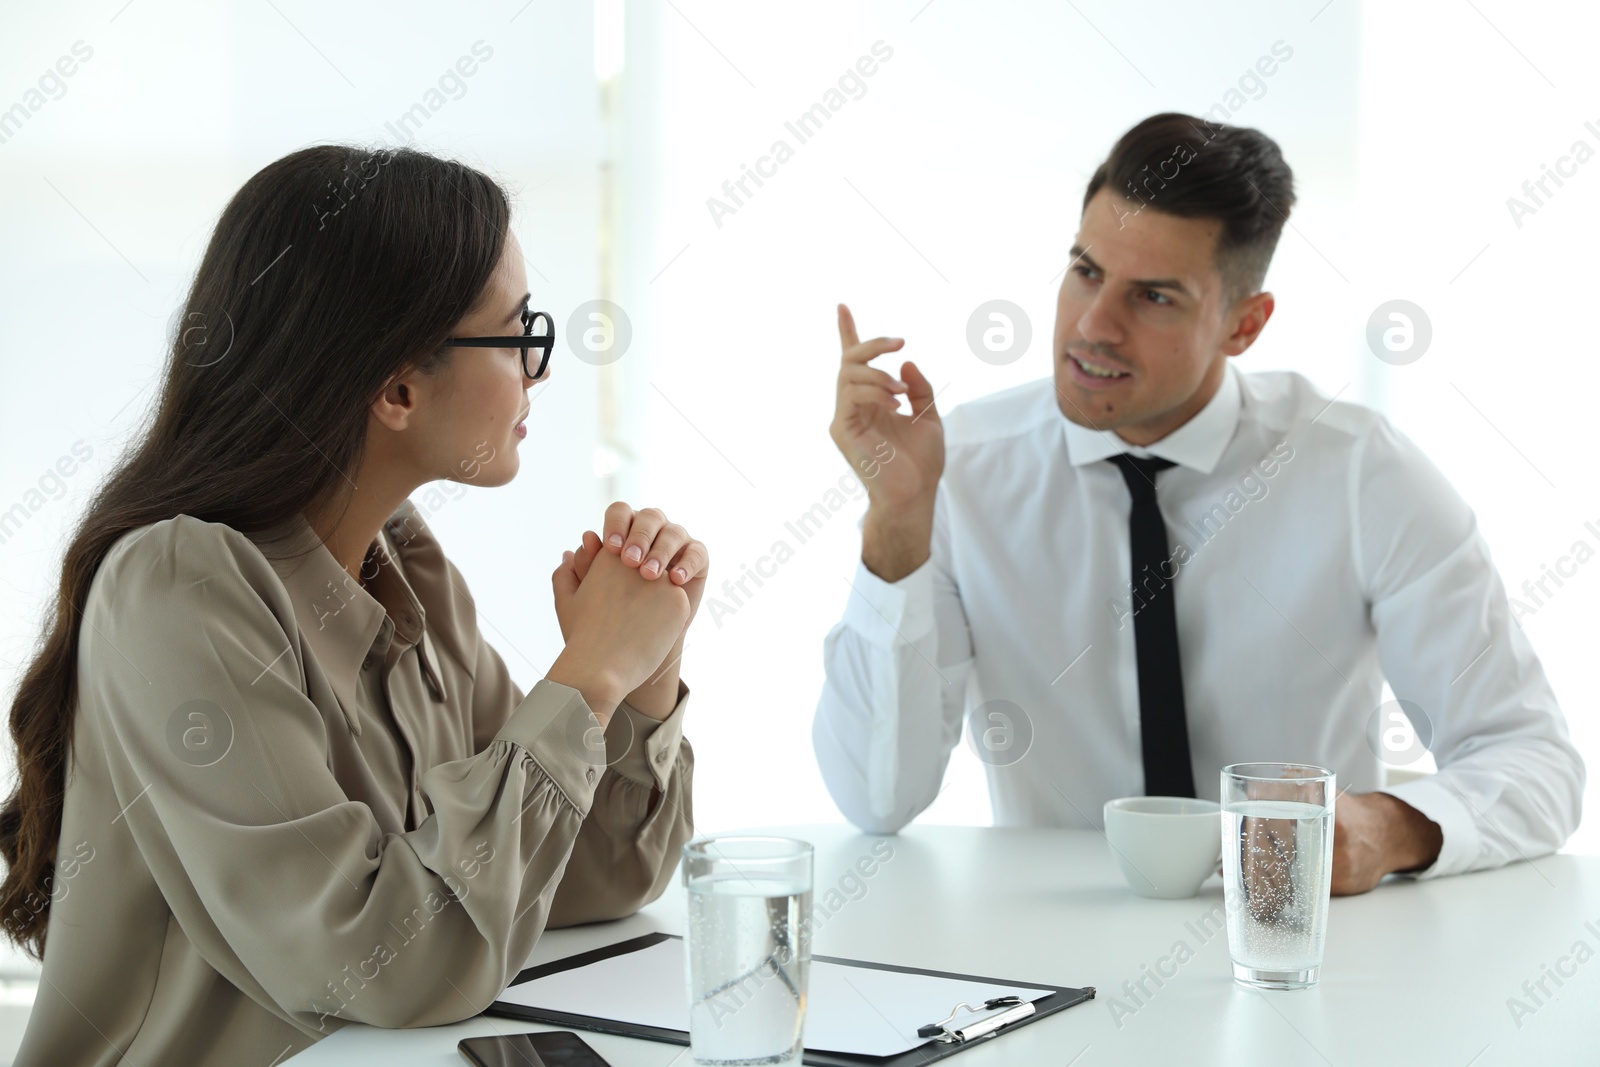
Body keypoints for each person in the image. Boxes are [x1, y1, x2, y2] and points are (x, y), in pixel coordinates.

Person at [0, 145, 708, 1065]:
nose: (540, 370)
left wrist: (639, 683)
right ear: (397, 388)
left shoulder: (405, 569)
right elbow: (393, 963)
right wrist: (588, 674)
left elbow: (590, 876)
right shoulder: (179, 588)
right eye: (519, 330)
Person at [814, 112, 1584, 894]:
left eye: (1153, 296)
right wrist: (897, 524)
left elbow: (1535, 762)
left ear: (1243, 324)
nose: (1092, 326)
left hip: (1302, 947)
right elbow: (878, 798)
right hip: (1050, 952)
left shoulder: (1361, 474)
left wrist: (1389, 827)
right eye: (1085, 271)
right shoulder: (960, 469)